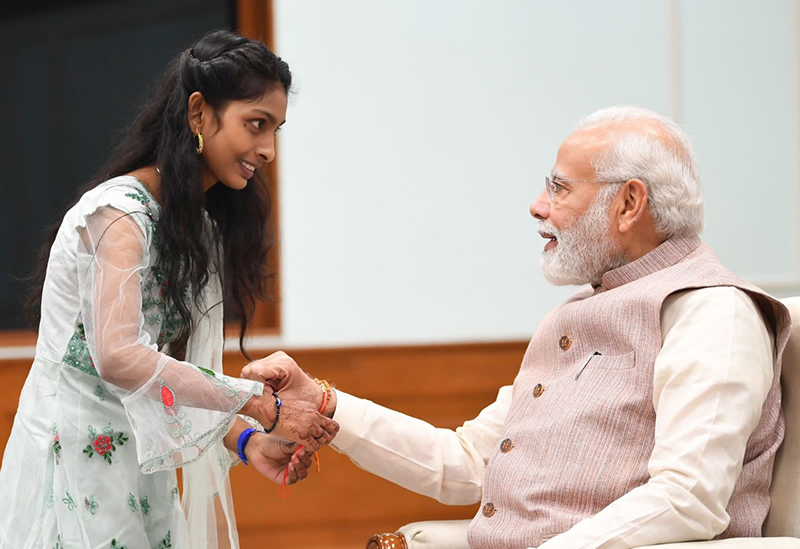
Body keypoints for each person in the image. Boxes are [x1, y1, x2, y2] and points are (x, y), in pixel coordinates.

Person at [244, 106, 792, 548]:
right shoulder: (578, 312)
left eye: (559, 188)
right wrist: (324, 403)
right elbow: (467, 463)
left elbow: (688, 497)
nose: (537, 206)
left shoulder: (713, 312)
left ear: (629, 203)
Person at [0, 29, 337, 549]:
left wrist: (248, 442)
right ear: (199, 113)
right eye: (256, 124)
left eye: (276, 130)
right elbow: (120, 358)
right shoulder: (119, 215)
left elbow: (170, 376)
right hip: (74, 471)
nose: (268, 149)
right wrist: (259, 403)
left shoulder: (194, 228)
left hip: (143, 469)